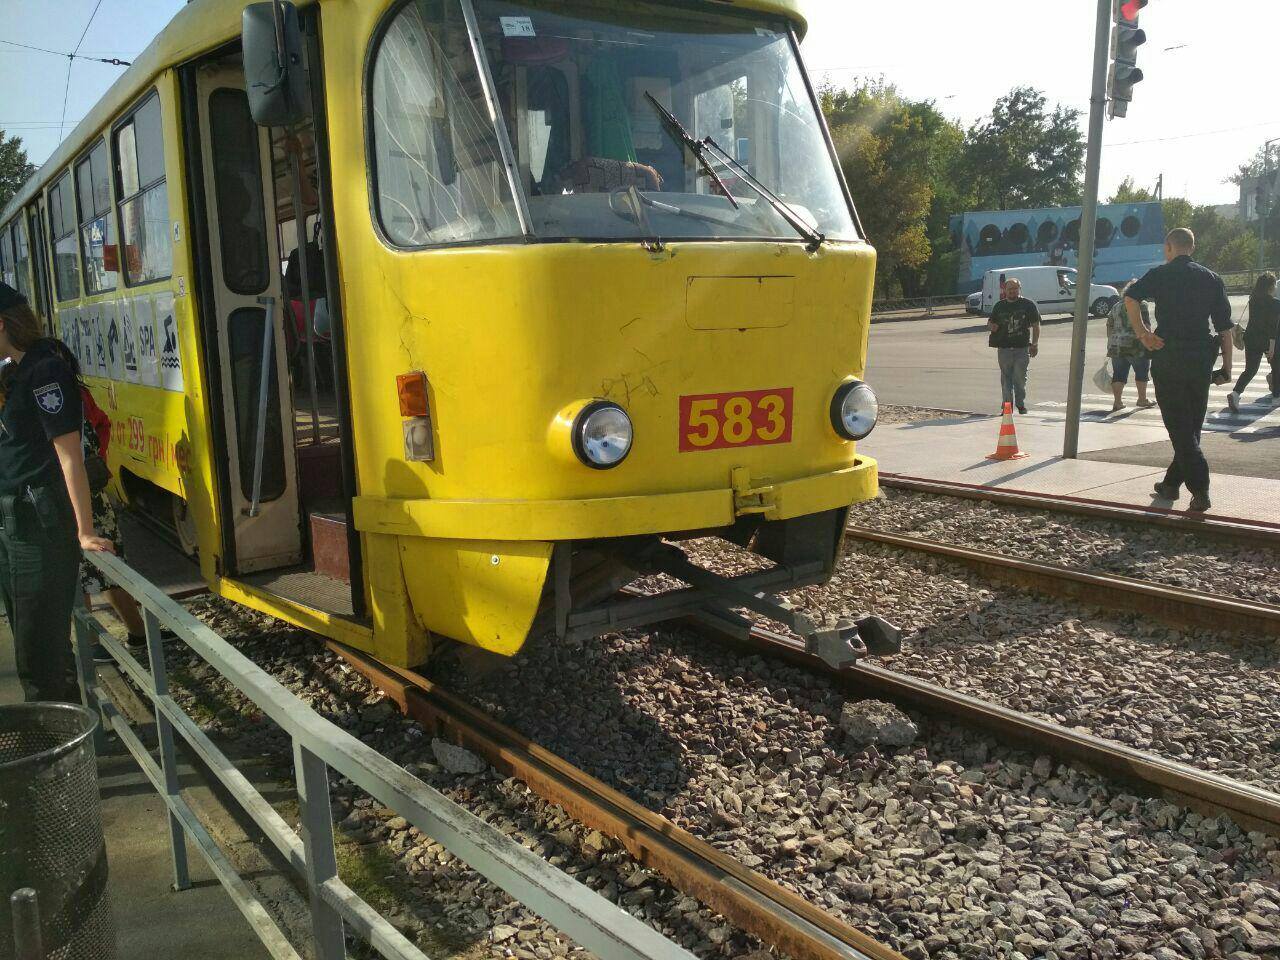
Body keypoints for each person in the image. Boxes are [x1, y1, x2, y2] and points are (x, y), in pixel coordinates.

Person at [0, 282, 113, 702]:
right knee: (28, 632)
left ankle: (58, 743)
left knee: (39, 646)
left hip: (38, 522)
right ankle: (57, 730)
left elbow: (69, 456)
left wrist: (84, 532)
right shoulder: (14, 368)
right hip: (12, 523)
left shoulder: (45, 371)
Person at [46, 340, 146, 662]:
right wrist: (97, 460)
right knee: (103, 565)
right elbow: (100, 427)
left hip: (70, 497)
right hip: (88, 498)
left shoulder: (47, 399)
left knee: (88, 570)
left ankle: (106, 641)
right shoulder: (77, 396)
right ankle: (130, 635)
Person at [1124, 228, 1233, 513]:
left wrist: (1143, 333)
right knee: (1191, 426)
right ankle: (1171, 484)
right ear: (1192, 248)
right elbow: (1224, 328)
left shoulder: (1160, 274)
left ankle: (1201, 489)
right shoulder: (1211, 278)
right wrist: (1227, 367)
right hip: (1201, 358)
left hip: (1168, 355)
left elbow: (1130, 298)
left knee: (1180, 429)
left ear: (1169, 247)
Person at [987, 277, 1041, 414]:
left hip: (1021, 348)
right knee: (1006, 380)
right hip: (1004, 349)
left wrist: (1034, 344)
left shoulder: (1028, 305)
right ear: (1004, 290)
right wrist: (991, 326)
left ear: (1019, 289)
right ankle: (1007, 408)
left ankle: (1020, 404)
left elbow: (1036, 325)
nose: (1012, 291)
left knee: (1020, 378)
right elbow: (990, 322)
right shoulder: (999, 306)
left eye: (1015, 288)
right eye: (1009, 289)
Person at [1227, 272, 1279, 411]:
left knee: (1250, 370)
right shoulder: (1275, 303)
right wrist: (1272, 347)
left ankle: (1235, 393)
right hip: (1268, 340)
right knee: (1277, 368)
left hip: (1251, 338)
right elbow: (1272, 327)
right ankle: (1276, 398)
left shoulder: (1253, 299)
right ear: (1271, 286)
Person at [1106, 280, 1155, 412]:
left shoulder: (1116, 306)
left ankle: (1117, 402)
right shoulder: (1141, 304)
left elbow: (1109, 325)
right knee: (1141, 372)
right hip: (1136, 345)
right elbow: (1145, 325)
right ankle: (1142, 399)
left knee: (1119, 374)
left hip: (1116, 345)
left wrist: (1111, 341)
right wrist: (1149, 341)